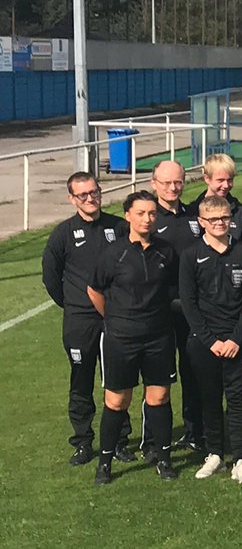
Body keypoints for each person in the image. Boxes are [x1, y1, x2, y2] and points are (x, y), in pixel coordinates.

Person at [87, 191, 180, 484]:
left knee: (159, 396)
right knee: (117, 400)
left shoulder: (166, 251)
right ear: (128, 216)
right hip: (121, 338)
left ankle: (163, 459)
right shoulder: (112, 254)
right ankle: (105, 463)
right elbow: (95, 291)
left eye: (151, 213)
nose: (147, 218)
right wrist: (114, 320)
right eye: (140, 213)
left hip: (159, 337)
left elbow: (174, 291)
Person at [43, 172, 131, 466]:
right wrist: (73, 305)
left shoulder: (118, 227)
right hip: (80, 323)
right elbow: (51, 278)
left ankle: (120, 441)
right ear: (72, 199)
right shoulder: (63, 234)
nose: (90, 198)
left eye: (94, 192)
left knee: (118, 381)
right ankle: (82, 442)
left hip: (115, 319)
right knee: (81, 380)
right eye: (83, 195)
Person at [178, 195, 242, 485]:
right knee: (209, 398)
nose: (219, 223)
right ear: (201, 222)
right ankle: (214, 453)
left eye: (224, 218)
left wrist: (237, 338)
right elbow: (188, 303)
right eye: (213, 219)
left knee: (237, 399)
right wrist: (210, 340)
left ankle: (241, 458)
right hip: (204, 343)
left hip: (239, 342)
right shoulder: (190, 255)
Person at [148, 159, 204, 455]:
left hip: (192, 311)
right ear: (153, 183)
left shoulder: (195, 217)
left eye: (178, 182)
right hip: (158, 311)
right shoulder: (146, 217)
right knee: (158, 376)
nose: (173, 187)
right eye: (166, 182)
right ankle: (154, 438)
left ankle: (195, 432)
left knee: (193, 371)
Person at [188, 153, 242, 245]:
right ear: (207, 178)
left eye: (230, 180)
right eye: (220, 180)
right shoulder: (192, 211)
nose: (226, 185)